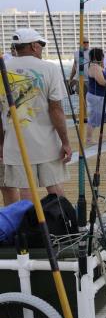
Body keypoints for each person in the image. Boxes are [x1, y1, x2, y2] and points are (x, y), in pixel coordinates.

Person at [3, 28, 71, 200]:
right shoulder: (49, 68)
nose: (41, 49)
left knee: (26, 189)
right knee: (54, 185)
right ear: (33, 46)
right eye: (41, 45)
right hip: (46, 143)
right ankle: (64, 224)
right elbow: (56, 109)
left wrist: (1, 144)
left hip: (14, 142)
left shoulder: (3, 69)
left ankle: (29, 226)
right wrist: (66, 142)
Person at [86, 47, 106, 146]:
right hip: (98, 97)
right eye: (103, 55)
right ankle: (89, 139)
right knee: (94, 119)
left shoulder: (99, 67)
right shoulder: (94, 67)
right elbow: (102, 82)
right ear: (99, 56)